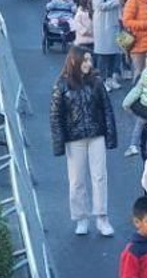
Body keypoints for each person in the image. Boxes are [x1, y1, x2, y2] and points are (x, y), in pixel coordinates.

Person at [50, 46, 118, 235]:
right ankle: (81, 217)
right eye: (85, 60)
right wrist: (59, 143)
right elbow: (55, 115)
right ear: (75, 61)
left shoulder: (96, 82)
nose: (89, 63)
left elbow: (107, 109)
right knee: (76, 180)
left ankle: (102, 217)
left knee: (100, 176)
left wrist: (110, 136)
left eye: (90, 60)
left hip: (96, 134)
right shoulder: (61, 84)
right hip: (74, 138)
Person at [90, 0, 128, 90]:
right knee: (103, 53)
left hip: (115, 21)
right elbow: (99, 5)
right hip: (103, 23)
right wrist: (118, 0)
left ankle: (110, 78)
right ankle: (102, 80)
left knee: (114, 52)